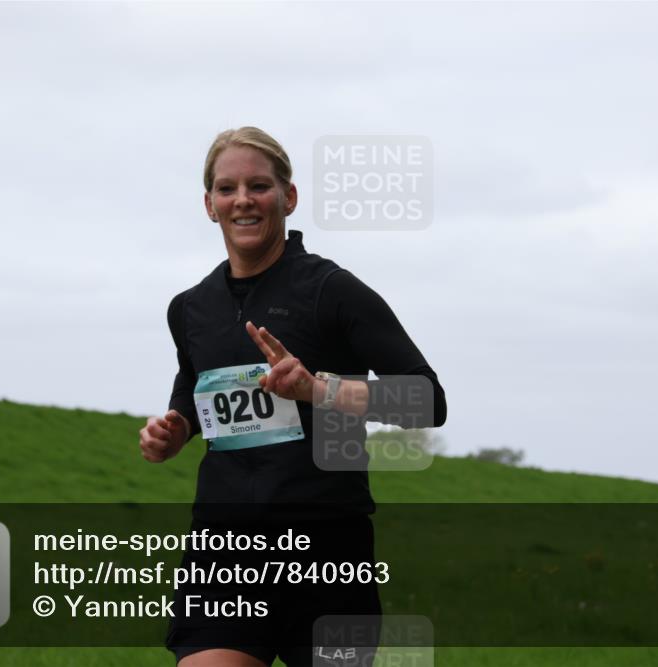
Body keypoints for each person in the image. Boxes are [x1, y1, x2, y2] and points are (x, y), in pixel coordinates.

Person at [138, 127, 447, 667]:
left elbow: (427, 400)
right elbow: (193, 384)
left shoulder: (333, 290)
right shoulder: (189, 308)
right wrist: (177, 429)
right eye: (227, 188)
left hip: (327, 550)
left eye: (259, 186)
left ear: (289, 197)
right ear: (210, 205)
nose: (243, 200)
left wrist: (317, 389)